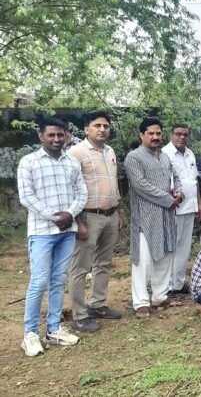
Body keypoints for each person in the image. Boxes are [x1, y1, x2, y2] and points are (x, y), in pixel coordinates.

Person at [17, 118, 88, 356]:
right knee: (38, 282)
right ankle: (30, 334)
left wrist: (70, 214)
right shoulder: (29, 162)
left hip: (66, 231)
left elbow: (81, 192)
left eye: (60, 135)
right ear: (41, 136)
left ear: (66, 135)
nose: (56, 139)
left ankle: (54, 329)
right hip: (41, 232)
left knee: (58, 280)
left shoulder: (72, 162)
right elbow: (26, 197)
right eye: (51, 135)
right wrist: (54, 216)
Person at [68, 111, 123, 334]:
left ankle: (97, 305)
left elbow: (114, 185)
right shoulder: (76, 153)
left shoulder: (110, 151)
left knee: (104, 263)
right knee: (80, 267)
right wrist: (78, 221)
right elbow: (72, 189)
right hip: (88, 217)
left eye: (106, 126)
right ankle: (79, 316)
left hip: (110, 215)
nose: (102, 129)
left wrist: (119, 212)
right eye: (97, 125)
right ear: (86, 129)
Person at [124, 117, 184, 319]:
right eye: (151, 133)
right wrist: (169, 199)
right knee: (143, 260)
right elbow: (140, 186)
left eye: (158, 133)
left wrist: (180, 194)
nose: (155, 137)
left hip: (167, 215)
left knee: (166, 255)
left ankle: (159, 296)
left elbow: (175, 178)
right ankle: (140, 302)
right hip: (146, 217)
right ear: (141, 135)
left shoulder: (165, 157)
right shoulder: (134, 158)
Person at [162, 123, 201, 295]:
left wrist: (199, 204)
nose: (182, 137)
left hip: (189, 207)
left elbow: (194, 182)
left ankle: (178, 283)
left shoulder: (190, 153)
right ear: (171, 135)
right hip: (173, 207)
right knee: (171, 246)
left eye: (185, 134)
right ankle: (167, 286)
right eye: (178, 134)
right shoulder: (164, 153)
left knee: (184, 247)